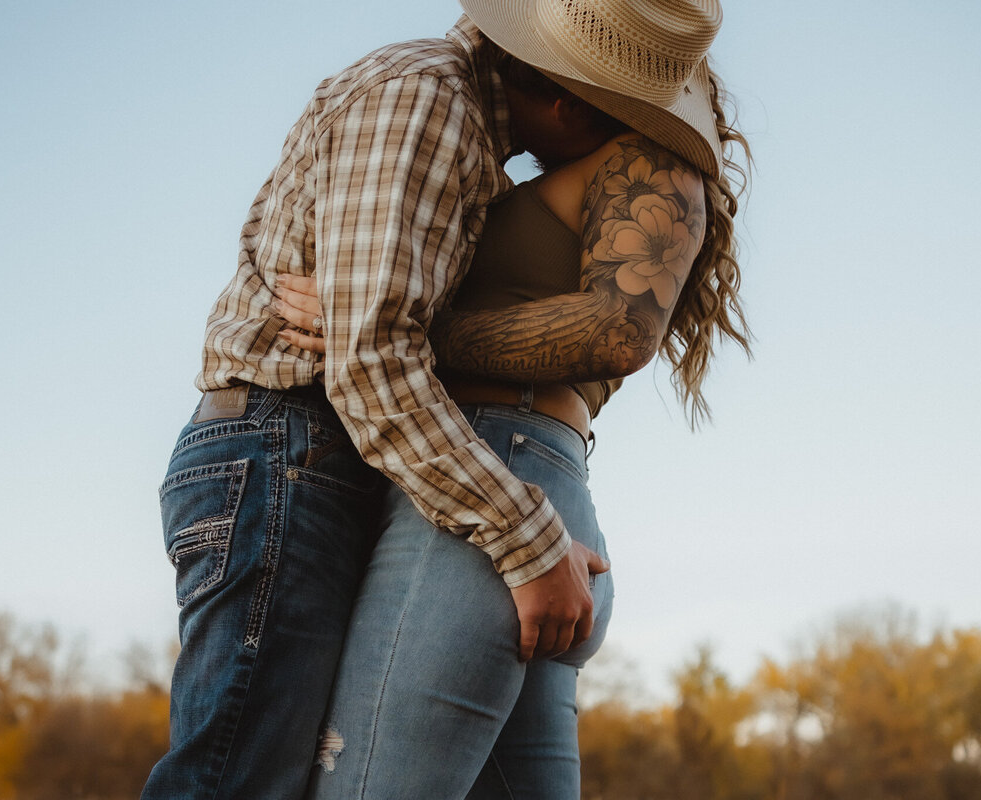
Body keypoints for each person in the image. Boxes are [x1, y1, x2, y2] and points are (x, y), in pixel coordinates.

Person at [141, 2, 670, 797]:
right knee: (235, 779)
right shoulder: (427, 102)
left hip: (312, 454)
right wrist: (527, 537)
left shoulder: (451, 120)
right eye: (613, 124)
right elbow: (373, 364)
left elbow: (375, 340)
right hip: (284, 450)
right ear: (567, 103)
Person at [271, 2, 752, 797]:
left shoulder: (649, 164)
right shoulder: (598, 166)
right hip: (517, 484)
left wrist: (391, 328)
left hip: (496, 481)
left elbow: (616, 327)